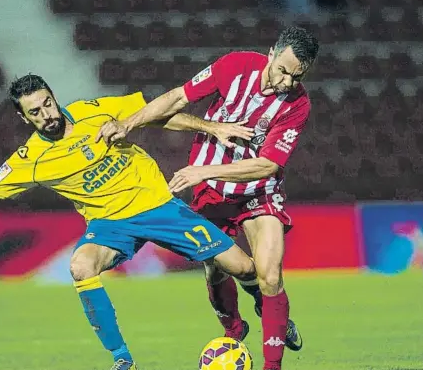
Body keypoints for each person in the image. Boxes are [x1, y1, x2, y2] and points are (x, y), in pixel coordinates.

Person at [0, 74, 258, 370]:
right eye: (35, 112)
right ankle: (122, 359)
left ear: (54, 97)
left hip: (158, 206)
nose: (47, 115)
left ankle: (261, 306)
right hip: (110, 225)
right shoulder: (29, 160)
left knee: (244, 268)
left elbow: (155, 114)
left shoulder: (94, 111)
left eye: (48, 104)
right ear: (24, 118)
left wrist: (211, 126)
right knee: (81, 266)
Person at [96, 26, 319, 370]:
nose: (287, 82)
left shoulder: (297, 104)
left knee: (270, 276)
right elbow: (177, 98)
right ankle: (236, 327)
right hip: (211, 195)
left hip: (257, 193)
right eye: (283, 70)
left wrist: (204, 171)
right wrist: (128, 123)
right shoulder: (235, 66)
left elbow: (267, 165)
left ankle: (272, 362)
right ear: (272, 52)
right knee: (215, 269)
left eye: (297, 76)